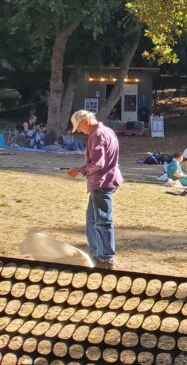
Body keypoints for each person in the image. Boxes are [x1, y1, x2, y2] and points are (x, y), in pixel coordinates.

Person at [67, 110, 123, 270]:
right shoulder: (107, 131)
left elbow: (98, 163)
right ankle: (97, 251)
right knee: (92, 218)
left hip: (102, 182)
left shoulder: (97, 135)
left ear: (85, 121)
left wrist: (79, 169)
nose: (79, 131)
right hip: (106, 180)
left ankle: (106, 258)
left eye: (78, 127)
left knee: (102, 221)